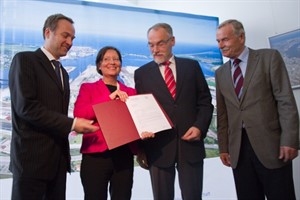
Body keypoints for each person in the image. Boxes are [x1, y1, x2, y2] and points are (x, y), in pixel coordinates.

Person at [8, 14, 99, 200]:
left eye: (72, 38)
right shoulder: (25, 60)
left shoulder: (63, 73)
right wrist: (72, 124)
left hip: (57, 163)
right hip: (31, 163)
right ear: (47, 32)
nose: (70, 42)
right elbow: (26, 108)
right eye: (65, 35)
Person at [215, 19, 299, 200]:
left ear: (241, 37)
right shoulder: (220, 73)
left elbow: (285, 101)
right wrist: (223, 147)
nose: (221, 45)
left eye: (225, 40)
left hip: (272, 146)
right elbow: (223, 114)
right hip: (238, 151)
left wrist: (290, 140)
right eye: (219, 41)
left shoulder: (269, 58)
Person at [134, 23, 213, 200]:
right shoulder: (141, 74)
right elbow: (139, 111)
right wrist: (141, 147)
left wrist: (200, 127)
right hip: (158, 149)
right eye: (151, 45)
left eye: (160, 43)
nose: (155, 49)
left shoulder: (191, 67)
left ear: (172, 41)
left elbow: (205, 103)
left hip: (190, 146)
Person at [73, 46, 139, 200]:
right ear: (99, 66)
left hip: (124, 157)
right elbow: (80, 114)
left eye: (116, 59)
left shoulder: (131, 92)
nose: (112, 62)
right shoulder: (88, 88)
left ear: (121, 65)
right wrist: (109, 99)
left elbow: (137, 122)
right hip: (96, 157)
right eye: (107, 59)